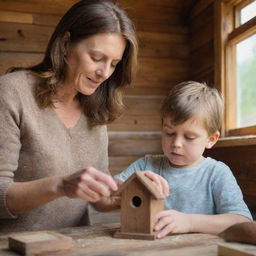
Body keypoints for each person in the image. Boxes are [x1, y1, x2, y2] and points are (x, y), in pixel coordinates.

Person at [0, 0, 162, 233]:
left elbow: (99, 198)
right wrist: (61, 185)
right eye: (97, 58)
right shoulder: (12, 92)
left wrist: (128, 190)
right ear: (65, 44)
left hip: (75, 246)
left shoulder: (95, 111)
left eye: (114, 64)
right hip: (14, 246)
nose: (104, 73)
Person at [115, 81, 252, 239]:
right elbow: (111, 194)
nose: (176, 144)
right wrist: (113, 188)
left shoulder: (217, 173)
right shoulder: (146, 165)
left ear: (211, 139)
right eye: (170, 133)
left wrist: (189, 222)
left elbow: (242, 221)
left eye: (189, 137)